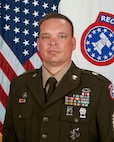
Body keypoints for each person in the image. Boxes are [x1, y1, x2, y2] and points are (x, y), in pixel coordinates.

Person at [2, 13, 114, 142]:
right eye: (46, 37)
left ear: (73, 43)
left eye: (61, 36)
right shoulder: (19, 85)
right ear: (38, 44)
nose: (53, 43)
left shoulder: (98, 88)